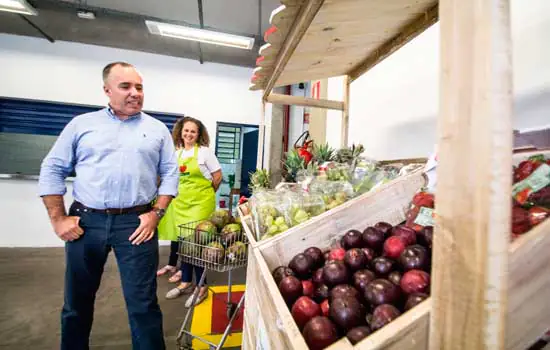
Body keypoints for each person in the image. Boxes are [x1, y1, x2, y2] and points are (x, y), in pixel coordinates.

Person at [38, 61, 178, 350]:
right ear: (107, 90)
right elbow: (52, 168)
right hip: (86, 222)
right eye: (125, 86)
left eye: (139, 87)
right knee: (77, 303)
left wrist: (157, 213)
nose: (135, 93)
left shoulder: (157, 129)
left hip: (137, 223)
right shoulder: (82, 125)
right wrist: (58, 219)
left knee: (143, 305)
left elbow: (170, 173)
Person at [157, 116, 222, 307]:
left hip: (200, 204)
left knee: (196, 245)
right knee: (184, 245)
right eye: (186, 131)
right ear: (180, 132)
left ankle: (201, 286)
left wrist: (206, 194)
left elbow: (217, 177)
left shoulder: (204, 152)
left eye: (193, 131)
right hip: (181, 204)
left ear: (198, 134)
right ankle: (185, 282)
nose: (189, 134)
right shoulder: (176, 153)